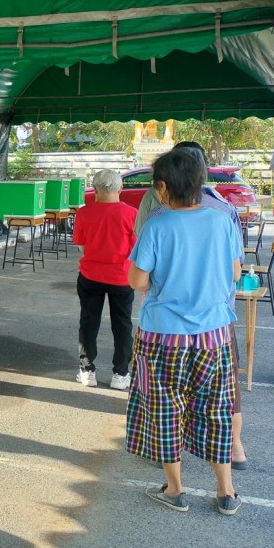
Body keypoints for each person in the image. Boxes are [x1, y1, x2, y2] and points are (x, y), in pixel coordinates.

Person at [126, 149, 243, 515]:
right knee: (216, 412)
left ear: (163, 187)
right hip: (214, 336)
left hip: (162, 337)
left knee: (164, 412)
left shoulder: (156, 226)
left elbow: (137, 281)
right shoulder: (221, 220)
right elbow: (236, 273)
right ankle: (226, 492)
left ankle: (175, 489)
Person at [72, 169, 136, 390]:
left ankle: (87, 371)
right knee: (123, 324)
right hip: (122, 277)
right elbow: (136, 249)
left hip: (90, 275)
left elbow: (82, 245)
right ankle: (121, 373)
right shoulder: (131, 214)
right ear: (120, 189)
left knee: (89, 322)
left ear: (95, 189)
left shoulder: (83, 213)